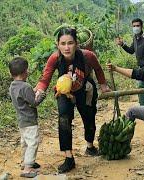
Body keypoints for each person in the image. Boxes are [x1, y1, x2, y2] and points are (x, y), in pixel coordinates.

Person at [34, 28, 110, 173]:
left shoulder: (88, 56)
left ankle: (90, 146)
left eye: (70, 43)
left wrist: (103, 86)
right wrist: (39, 91)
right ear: (58, 44)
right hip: (64, 90)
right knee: (64, 119)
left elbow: (99, 70)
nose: (66, 47)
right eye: (63, 43)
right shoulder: (54, 58)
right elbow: (45, 78)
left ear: (76, 44)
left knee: (89, 116)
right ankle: (69, 157)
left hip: (85, 88)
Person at [9, 57, 46, 178]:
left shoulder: (13, 86)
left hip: (21, 120)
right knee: (33, 143)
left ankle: (24, 162)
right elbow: (33, 102)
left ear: (11, 73)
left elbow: (25, 96)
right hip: (29, 120)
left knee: (25, 142)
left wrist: (33, 90)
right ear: (25, 72)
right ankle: (28, 168)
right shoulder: (25, 86)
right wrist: (41, 96)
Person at [115, 18, 144, 105]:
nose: (136, 27)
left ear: (142, 26)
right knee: (142, 86)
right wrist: (122, 44)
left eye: (137, 26)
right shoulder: (135, 37)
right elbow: (131, 50)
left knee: (142, 85)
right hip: (140, 66)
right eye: (134, 26)